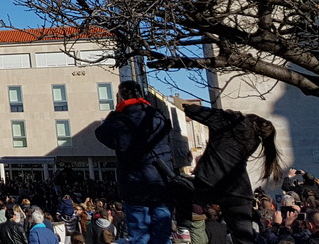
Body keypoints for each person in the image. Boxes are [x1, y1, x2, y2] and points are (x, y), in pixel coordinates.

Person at [183, 103, 283, 244]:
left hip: (209, 184)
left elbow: (192, 110)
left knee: (179, 188)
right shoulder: (254, 140)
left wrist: (225, 114)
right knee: (244, 239)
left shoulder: (225, 122)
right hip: (239, 192)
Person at [95, 81, 175, 244]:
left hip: (135, 185)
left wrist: (111, 116)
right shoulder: (157, 115)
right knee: (162, 234)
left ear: (121, 96)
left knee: (140, 235)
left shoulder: (118, 121)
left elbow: (102, 135)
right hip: (161, 183)